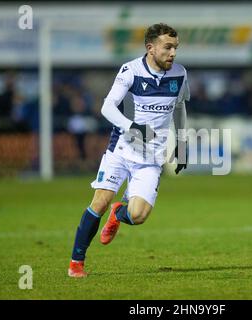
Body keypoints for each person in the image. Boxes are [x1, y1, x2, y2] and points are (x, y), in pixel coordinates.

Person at [68, 23, 190, 277]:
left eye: (175, 48)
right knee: (100, 201)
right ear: (150, 48)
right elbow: (107, 107)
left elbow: (179, 108)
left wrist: (182, 143)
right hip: (121, 150)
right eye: (168, 47)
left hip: (151, 158)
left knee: (138, 215)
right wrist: (133, 127)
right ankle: (76, 263)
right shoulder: (130, 71)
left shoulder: (180, 74)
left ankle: (119, 213)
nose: (173, 53)